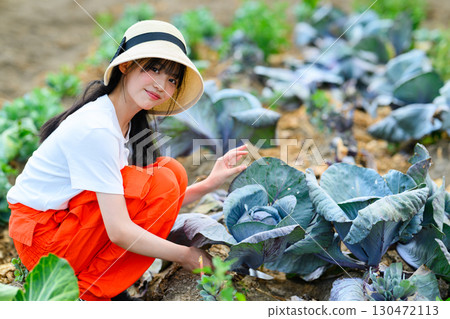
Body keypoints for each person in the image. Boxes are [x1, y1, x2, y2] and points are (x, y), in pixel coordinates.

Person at [6, 20, 248, 301]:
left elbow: (145, 206)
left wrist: (208, 184)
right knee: (164, 179)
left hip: (66, 228)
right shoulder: (97, 128)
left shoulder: (125, 124)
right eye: (154, 69)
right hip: (46, 245)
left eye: (172, 79)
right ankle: (86, 294)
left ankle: (98, 282)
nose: (162, 84)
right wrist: (187, 255)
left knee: (171, 173)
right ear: (126, 66)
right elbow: (120, 229)